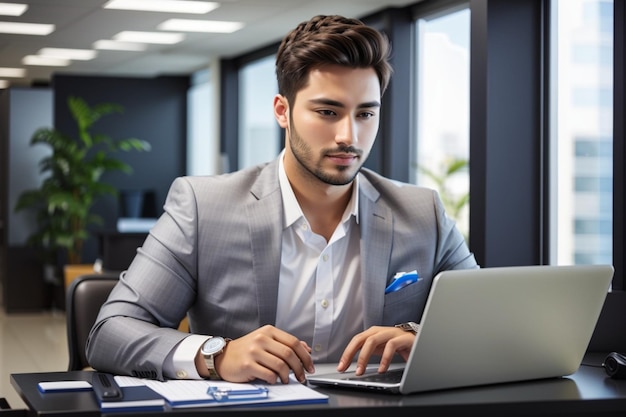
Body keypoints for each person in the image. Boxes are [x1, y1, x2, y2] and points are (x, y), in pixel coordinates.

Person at [86, 14, 477, 385]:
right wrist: (215, 355)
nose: (349, 136)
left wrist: (420, 334)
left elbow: (488, 321)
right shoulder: (203, 207)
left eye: (365, 114)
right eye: (328, 111)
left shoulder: (422, 212)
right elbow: (110, 332)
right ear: (282, 111)